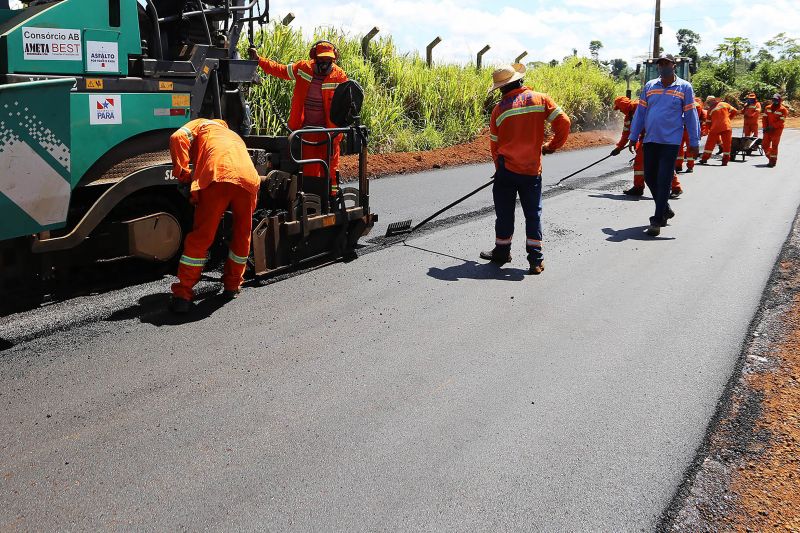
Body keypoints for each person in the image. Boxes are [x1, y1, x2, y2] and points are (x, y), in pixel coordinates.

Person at [480, 63, 570, 275]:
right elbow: (564, 122)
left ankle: (502, 253)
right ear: (520, 80)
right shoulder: (540, 99)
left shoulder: (498, 110)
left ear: (501, 88)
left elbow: (495, 146)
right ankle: (535, 261)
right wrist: (551, 146)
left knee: (504, 214)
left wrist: (498, 168)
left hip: (506, 171)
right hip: (531, 171)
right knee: (533, 214)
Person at [168, 119, 261, 314]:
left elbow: (177, 137)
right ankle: (232, 285)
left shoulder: (201, 125)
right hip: (249, 178)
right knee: (242, 234)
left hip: (218, 174)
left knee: (202, 237)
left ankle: (183, 294)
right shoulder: (232, 135)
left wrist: (184, 175)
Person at [249, 41, 348, 198]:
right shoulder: (303, 68)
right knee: (308, 170)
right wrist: (259, 60)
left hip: (329, 133)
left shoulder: (339, 76)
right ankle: (310, 199)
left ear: (333, 59)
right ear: (314, 57)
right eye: (322, 60)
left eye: (329, 61)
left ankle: (331, 199)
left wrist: (340, 130)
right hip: (306, 131)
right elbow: (280, 70)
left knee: (330, 169)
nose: (325, 64)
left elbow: (346, 102)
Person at [628, 53, 700, 237]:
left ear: (673, 65)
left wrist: (694, 141)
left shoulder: (684, 87)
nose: (663, 66)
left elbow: (691, 115)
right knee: (649, 177)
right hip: (651, 139)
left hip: (671, 141)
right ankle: (665, 208)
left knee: (664, 180)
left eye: (666, 63)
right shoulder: (650, 86)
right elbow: (640, 113)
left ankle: (657, 219)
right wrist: (633, 136)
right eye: (660, 64)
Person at [700, 96, 737, 166]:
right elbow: (735, 111)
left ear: (711, 101)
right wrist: (728, 118)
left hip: (715, 128)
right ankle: (725, 161)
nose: (708, 104)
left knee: (709, 144)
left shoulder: (710, 110)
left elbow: (708, 123)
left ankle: (704, 159)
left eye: (708, 102)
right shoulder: (724, 104)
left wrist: (706, 131)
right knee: (727, 145)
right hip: (726, 127)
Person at [675, 96, 707, 173]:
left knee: (679, 148)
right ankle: (690, 166)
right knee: (690, 148)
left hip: (680, 129)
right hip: (690, 129)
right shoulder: (697, 105)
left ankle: (678, 166)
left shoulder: (679, 103)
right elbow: (697, 118)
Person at [762, 93, 788, 167]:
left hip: (777, 130)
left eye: (776, 100)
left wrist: (773, 126)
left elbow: (781, 121)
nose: (774, 101)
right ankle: (771, 157)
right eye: (773, 99)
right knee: (764, 145)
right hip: (768, 129)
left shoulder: (783, 110)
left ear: (779, 100)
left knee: (774, 146)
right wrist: (765, 127)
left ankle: (772, 162)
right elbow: (764, 119)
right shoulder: (767, 108)